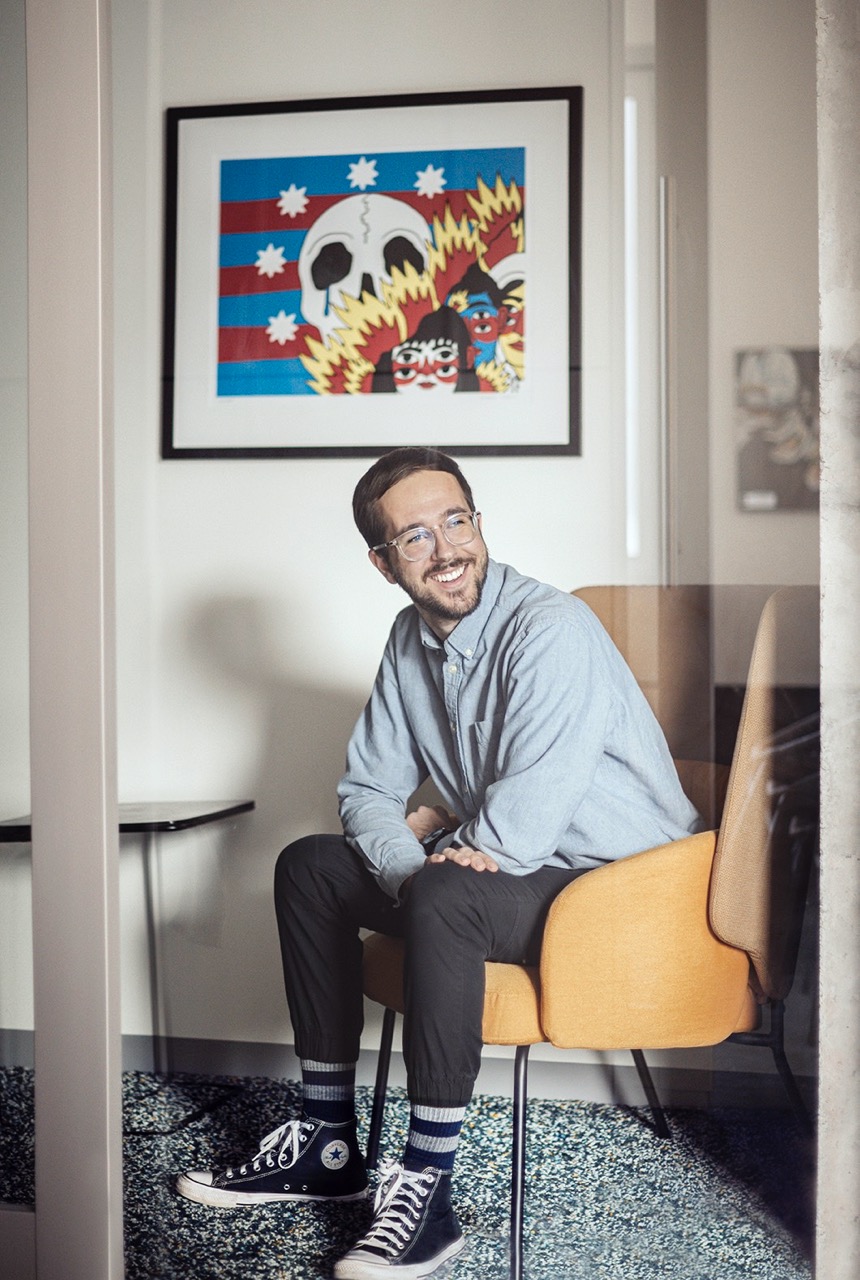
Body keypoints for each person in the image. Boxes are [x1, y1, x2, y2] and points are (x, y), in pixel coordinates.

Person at [177, 447, 700, 1279]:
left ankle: (428, 1189)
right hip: (500, 877)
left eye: (457, 520)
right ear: (383, 563)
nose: (447, 549)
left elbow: (520, 828)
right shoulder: (408, 639)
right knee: (309, 865)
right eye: (415, 536)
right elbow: (365, 789)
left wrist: (437, 866)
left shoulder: (551, 626)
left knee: (450, 892)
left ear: (480, 524)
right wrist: (406, 867)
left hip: (619, 889)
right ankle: (326, 1144)